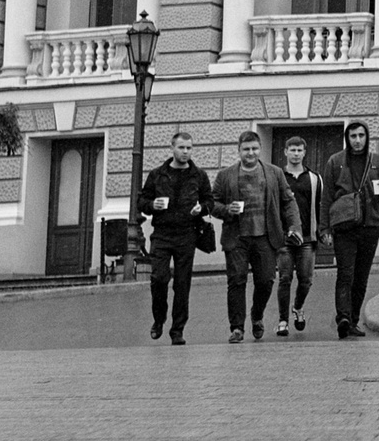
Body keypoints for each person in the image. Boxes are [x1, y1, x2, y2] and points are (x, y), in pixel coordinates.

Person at [212, 129, 301, 343]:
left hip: (265, 236)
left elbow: (288, 201)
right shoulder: (225, 175)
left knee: (266, 281)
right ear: (239, 151)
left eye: (254, 149)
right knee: (236, 281)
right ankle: (237, 328)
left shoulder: (274, 173)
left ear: (260, 149)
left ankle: (257, 315)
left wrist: (294, 225)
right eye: (246, 149)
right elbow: (212, 203)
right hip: (237, 237)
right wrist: (226, 210)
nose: (250, 153)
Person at [137, 129, 212, 344]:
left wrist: (202, 208)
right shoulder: (157, 174)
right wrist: (153, 205)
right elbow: (141, 202)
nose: (185, 152)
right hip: (162, 234)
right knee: (158, 279)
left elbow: (210, 201)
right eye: (181, 147)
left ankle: (177, 330)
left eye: (189, 148)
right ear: (172, 148)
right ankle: (158, 319)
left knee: (182, 284)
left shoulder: (199, 175)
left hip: (187, 234)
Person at [323, 121, 379, 339]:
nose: (357, 140)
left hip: (370, 226)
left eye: (361, 135)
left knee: (361, 277)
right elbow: (326, 197)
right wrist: (324, 228)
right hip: (344, 227)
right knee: (345, 273)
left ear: (367, 137)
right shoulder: (335, 162)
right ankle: (343, 318)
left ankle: (353, 319)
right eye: (353, 136)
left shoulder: (377, 161)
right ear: (347, 138)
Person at [274, 136, 324, 337]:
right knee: (284, 278)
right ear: (285, 152)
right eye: (292, 150)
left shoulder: (314, 178)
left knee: (306, 280)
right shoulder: (278, 177)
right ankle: (283, 320)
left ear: (304, 153)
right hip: (284, 238)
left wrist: (322, 231)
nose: (296, 154)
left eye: (299, 150)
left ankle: (298, 306)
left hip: (307, 238)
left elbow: (321, 206)